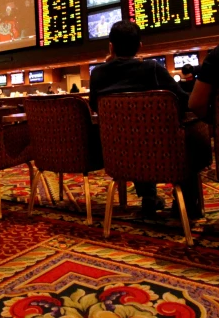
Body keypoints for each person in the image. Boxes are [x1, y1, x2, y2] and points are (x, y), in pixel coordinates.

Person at [89, 20, 212, 218]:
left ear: (110, 46)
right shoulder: (152, 69)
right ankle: (187, 204)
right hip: (162, 148)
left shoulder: (98, 74)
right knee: (189, 134)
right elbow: (184, 101)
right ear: (139, 46)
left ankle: (148, 197)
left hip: (118, 151)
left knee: (134, 131)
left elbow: (94, 106)